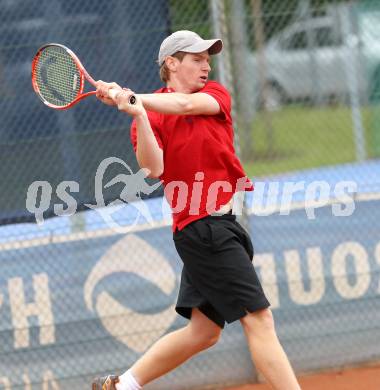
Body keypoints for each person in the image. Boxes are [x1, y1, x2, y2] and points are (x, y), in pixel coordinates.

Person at [93, 30, 301, 390]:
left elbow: (186, 106)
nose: (206, 65)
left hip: (218, 225)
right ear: (171, 63)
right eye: (197, 59)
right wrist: (139, 114)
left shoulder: (214, 94)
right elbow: (153, 168)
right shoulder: (151, 115)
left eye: (208, 58)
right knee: (259, 320)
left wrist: (129, 97)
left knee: (203, 332)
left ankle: (123, 385)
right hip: (204, 230)